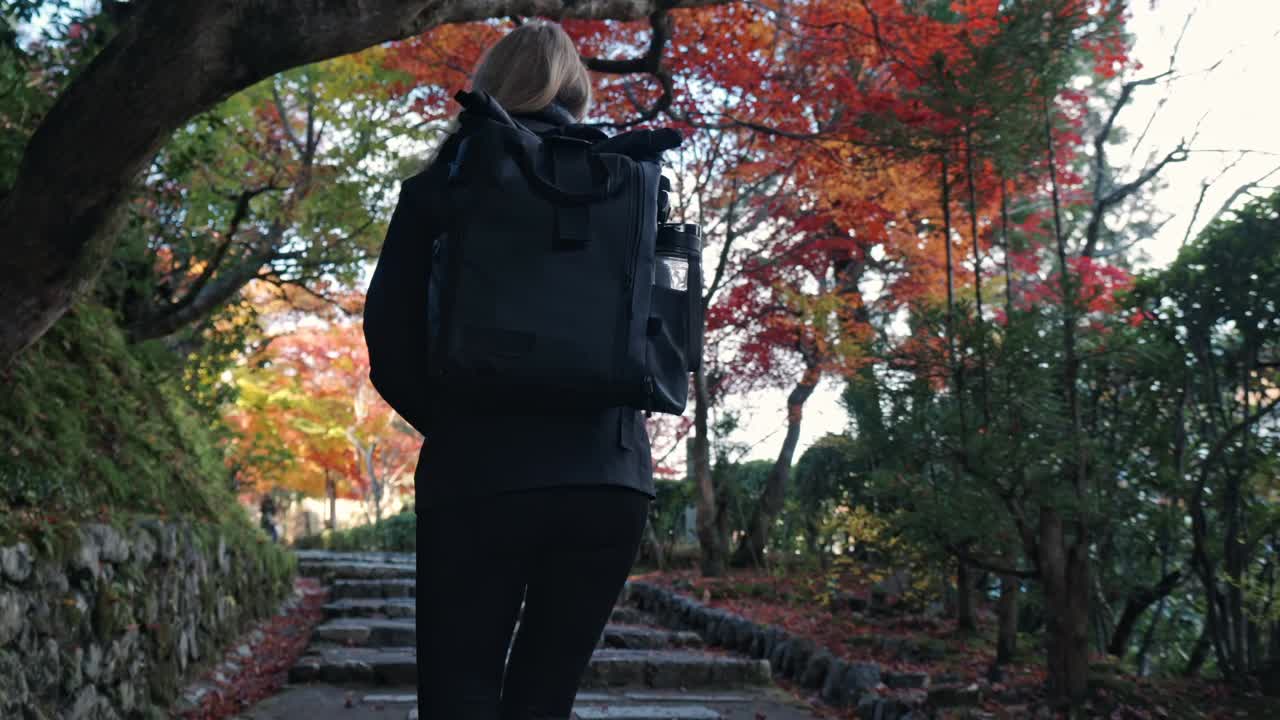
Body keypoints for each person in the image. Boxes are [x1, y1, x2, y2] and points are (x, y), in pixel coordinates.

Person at [362, 21, 656, 720]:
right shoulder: (629, 180)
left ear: (492, 84)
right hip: (609, 478)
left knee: (461, 692)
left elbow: (389, 341)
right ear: (579, 94)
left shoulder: (444, 182)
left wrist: (463, 423)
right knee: (544, 700)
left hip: (481, 472)